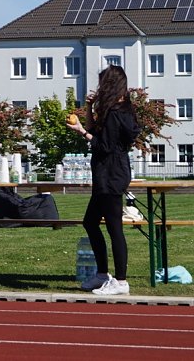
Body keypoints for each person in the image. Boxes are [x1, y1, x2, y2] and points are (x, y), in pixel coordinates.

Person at [66, 65, 140, 296]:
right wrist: (88, 108)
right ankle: (102, 274)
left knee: (114, 227)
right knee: (90, 222)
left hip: (111, 172)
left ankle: (120, 280)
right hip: (107, 172)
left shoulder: (117, 113)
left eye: (102, 83)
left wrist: (81, 132)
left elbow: (103, 145)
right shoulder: (115, 110)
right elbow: (94, 129)